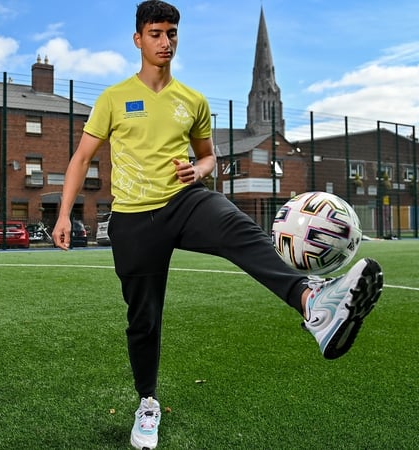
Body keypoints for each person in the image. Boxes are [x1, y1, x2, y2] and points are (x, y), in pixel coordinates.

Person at [51, 1, 384, 448]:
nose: (164, 41)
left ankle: (312, 304)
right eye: (155, 33)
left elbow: (207, 154)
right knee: (143, 319)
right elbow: (81, 157)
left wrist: (201, 170)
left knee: (237, 226)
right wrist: (63, 214)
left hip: (184, 201)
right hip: (132, 219)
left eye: (171, 33)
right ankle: (147, 403)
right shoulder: (113, 98)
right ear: (138, 39)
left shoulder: (193, 100)